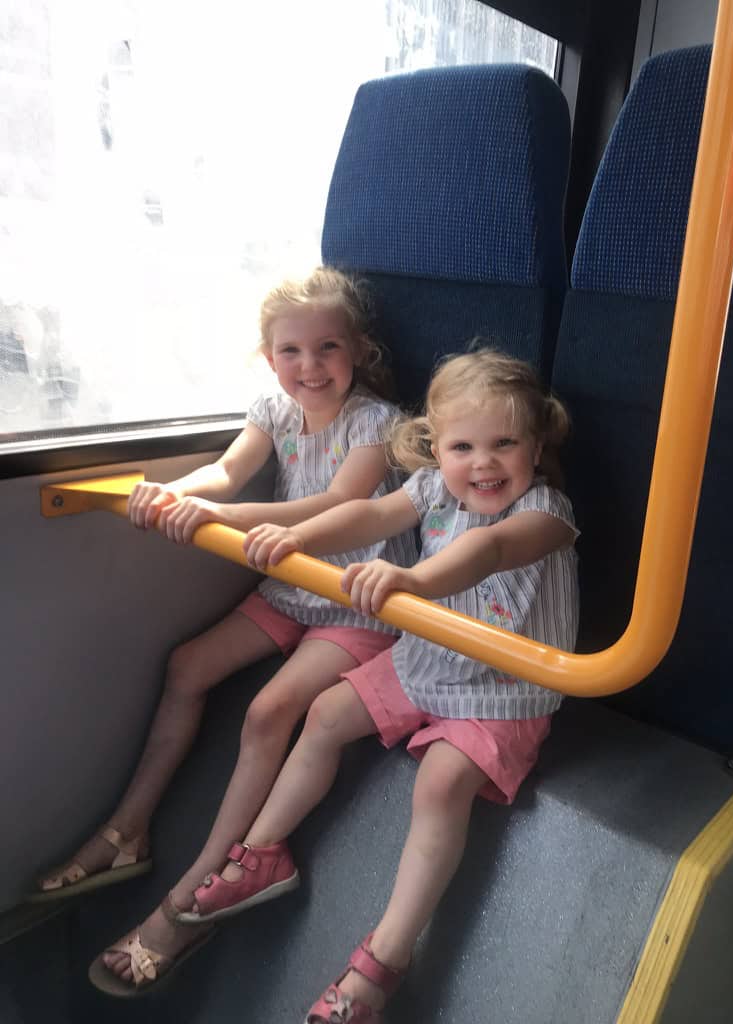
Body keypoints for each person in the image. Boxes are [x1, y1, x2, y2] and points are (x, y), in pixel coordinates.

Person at [90, 347, 579, 1010]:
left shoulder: (547, 512)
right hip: (426, 660)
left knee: (441, 783)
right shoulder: (435, 485)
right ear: (437, 447)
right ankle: (260, 855)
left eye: (505, 444)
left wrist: (412, 579)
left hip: (502, 688)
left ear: (536, 444)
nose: (483, 463)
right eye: (462, 446)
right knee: (322, 715)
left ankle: (383, 961)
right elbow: (373, 516)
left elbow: (486, 549)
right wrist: (300, 538)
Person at [33, 266, 417, 933]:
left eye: (328, 347)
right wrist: (177, 492)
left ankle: (200, 880)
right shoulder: (272, 409)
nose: (311, 365)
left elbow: (340, 502)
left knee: (270, 711)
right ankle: (129, 830)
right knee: (188, 666)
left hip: (355, 599)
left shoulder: (377, 424)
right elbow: (229, 471)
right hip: (297, 586)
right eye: (291, 352)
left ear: (358, 351)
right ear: (270, 360)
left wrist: (231, 519)